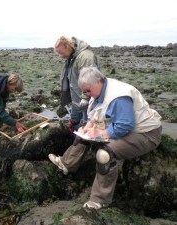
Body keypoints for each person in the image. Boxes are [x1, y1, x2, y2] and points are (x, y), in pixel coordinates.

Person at [49, 66, 162, 209]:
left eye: (88, 91)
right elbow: (96, 113)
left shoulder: (118, 96)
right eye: (84, 92)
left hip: (146, 133)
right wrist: (88, 127)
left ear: (98, 81)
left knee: (104, 154)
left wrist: (102, 134)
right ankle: (66, 164)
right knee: (83, 135)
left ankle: (100, 200)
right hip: (125, 126)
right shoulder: (97, 90)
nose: (87, 94)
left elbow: (125, 125)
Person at [54, 36, 100, 133]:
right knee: (74, 122)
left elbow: (90, 79)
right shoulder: (71, 57)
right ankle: (74, 139)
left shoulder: (85, 57)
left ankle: (84, 144)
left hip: (86, 100)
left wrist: (85, 98)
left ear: (68, 46)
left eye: (61, 53)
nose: (61, 56)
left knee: (86, 124)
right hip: (75, 99)